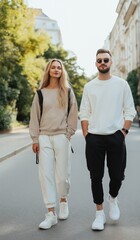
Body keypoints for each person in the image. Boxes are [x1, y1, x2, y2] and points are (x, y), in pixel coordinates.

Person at [80, 49, 136, 231]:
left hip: (116, 136)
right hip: (94, 138)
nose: (102, 62)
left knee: (117, 175)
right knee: (95, 177)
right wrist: (87, 135)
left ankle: (113, 198)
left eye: (105, 60)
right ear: (95, 63)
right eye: (99, 60)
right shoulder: (89, 87)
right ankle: (99, 213)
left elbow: (130, 110)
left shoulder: (121, 84)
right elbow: (84, 113)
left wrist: (124, 132)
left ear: (111, 62)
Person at [29, 59, 78, 229]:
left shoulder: (68, 92)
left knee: (62, 175)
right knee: (45, 175)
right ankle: (51, 213)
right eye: (53, 67)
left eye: (59, 68)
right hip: (43, 137)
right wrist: (35, 139)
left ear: (62, 71)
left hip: (61, 137)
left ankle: (63, 200)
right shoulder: (40, 93)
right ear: (48, 71)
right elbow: (34, 117)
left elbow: (73, 114)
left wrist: (68, 134)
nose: (56, 70)